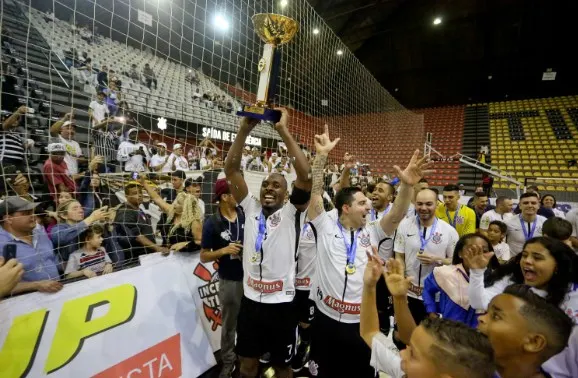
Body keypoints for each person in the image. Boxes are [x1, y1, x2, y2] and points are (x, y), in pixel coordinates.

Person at [306, 124, 431, 378]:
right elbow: (315, 193)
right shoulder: (324, 225)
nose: (368, 206)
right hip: (326, 319)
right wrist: (320, 158)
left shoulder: (372, 231)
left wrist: (407, 186)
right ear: (346, 208)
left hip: (361, 324)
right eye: (362, 203)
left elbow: (396, 215)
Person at [224, 109, 311, 378]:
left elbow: (306, 177)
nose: (269, 188)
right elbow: (231, 169)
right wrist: (243, 131)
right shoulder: (249, 207)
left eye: (276, 185)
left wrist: (283, 131)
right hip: (250, 304)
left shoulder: (292, 213)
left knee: (283, 368)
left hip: (282, 306)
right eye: (265, 184)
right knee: (247, 366)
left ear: (286, 194)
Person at [360, 255, 496, 378]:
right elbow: (370, 333)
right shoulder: (408, 370)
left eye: (413, 354)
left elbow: (369, 333)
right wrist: (370, 286)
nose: (401, 354)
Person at [393, 188, 459, 341]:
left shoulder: (449, 231)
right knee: (402, 335)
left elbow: (455, 262)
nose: (423, 208)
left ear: (437, 204)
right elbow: (399, 255)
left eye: (429, 204)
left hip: (434, 296)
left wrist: (437, 260)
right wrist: (402, 280)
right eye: (419, 204)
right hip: (409, 293)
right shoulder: (404, 226)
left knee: (429, 339)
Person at [200, 179, 244, 378]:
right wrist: (225, 250)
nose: (238, 194)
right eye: (234, 191)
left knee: (249, 320)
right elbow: (204, 255)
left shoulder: (244, 214)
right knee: (229, 324)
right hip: (230, 280)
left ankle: (248, 354)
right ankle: (228, 360)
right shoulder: (212, 223)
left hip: (251, 279)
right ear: (225, 197)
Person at [423, 233, 498, 328]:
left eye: (484, 250)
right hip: (449, 332)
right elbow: (427, 290)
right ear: (460, 253)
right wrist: (432, 312)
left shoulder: (496, 279)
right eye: (472, 250)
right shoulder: (444, 273)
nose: (478, 254)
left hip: (478, 336)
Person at [0, 197, 63, 294]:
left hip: (59, 293)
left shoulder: (40, 231)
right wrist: (36, 285)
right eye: (26, 213)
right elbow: (3, 286)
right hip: (25, 304)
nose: (33, 216)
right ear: (8, 219)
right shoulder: (2, 244)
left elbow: (54, 261)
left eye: (32, 212)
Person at [141, 178, 202, 253]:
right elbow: (157, 198)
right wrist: (144, 183)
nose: (175, 204)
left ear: (186, 207)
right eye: (175, 201)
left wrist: (185, 244)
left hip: (187, 257)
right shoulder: (172, 211)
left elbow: (201, 241)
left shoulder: (194, 222)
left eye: (178, 203)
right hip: (169, 255)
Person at [114, 183, 169, 260]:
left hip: (147, 254)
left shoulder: (139, 210)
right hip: (136, 258)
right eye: (135, 193)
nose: (139, 195)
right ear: (126, 196)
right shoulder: (125, 212)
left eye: (140, 192)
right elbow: (136, 236)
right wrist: (157, 247)